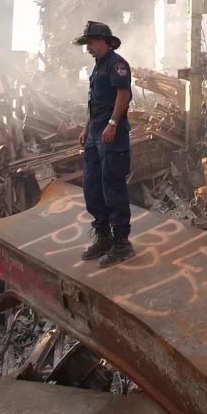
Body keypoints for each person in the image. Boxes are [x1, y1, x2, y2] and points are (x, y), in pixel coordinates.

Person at [74, 20, 135, 267]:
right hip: (95, 135)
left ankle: (122, 244)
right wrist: (87, 128)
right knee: (92, 186)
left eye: (90, 42)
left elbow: (124, 95)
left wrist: (112, 124)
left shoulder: (116, 64)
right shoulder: (98, 67)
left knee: (112, 187)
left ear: (102, 41)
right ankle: (104, 237)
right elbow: (95, 103)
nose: (87, 47)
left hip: (112, 135)